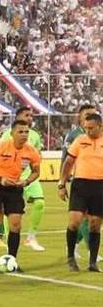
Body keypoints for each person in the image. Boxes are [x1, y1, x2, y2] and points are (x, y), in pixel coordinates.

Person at [0, 119, 41, 273]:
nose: (24, 135)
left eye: (26, 131)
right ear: (12, 133)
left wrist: (26, 182)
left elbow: (36, 171)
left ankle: (12, 260)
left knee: (15, 225)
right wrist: (0, 179)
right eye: (20, 131)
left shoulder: (31, 151)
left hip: (14, 189)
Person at [58, 110, 103, 272]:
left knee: (95, 226)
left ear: (100, 126)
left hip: (100, 187)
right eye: (86, 128)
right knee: (74, 221)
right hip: (80, 185)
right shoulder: (80, 140)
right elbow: (68, 162)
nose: (88, 131)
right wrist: (62, 184)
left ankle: (92, 262)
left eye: (91, 128)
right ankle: (71, 257)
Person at [1, 108, 46, 252]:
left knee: (39, 202)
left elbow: (37, 156)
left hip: (29, 176)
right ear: (18, 117)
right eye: (27, 115)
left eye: (31, 115)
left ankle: (31, 237)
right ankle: (9, 239)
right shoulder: (6, 135)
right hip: (10, 177)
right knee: (8, 210)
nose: (30, 118)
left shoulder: (35, 136)